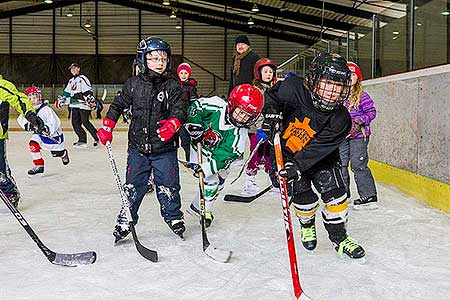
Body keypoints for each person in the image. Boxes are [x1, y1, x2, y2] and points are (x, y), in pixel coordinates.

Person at [262, 53, 366, 260]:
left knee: (337, 197)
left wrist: (298, 166)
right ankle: (307, 224)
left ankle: (340, 239)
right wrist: (271, 112)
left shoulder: (341, 119)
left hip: (321, 158)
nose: (332, 91)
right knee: (304, 199)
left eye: (338, 86)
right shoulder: (293, 87)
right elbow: (272, 96)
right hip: (286, 154)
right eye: (327, 83)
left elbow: (318, 148)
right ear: (313, 80)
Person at [97, 37, 187, 241]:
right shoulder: (133, 84)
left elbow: (180, 108)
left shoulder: (172, 86)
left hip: (165, 149)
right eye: (154, 58)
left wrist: (173, 123)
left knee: (168, 184)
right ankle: (126, 217)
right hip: (138, 148)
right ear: (143, 60)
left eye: (163, 58)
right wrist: (107, 125)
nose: (160, 62)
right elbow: (117, 105)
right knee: (133, 185)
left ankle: (173, 216)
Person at [185, 84, 264, 227]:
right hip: (199, 149)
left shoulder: (240, 136)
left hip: (216, 157)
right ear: (233, 104)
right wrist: (194, 124)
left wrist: (207, 167)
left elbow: (224, 157)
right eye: (241, 112)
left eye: (247, 116)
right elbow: (196, 107)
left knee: (220, 180)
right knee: (211, 181)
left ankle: (198, 205)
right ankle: (205, 211)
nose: (242, 119)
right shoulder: (215, 105)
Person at [0, 75, 47, 207]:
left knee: (0, 171)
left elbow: (19, 99)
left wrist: (31, 115)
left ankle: (11, 193)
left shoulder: (3, 85)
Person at [339, 62, 378, 210]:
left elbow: (372, 112)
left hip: (359, 136)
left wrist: (360, 120)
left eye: (353, 74)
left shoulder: (363, 95)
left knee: (358, 165)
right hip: (342, 136)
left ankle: (369, 196)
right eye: (348, 74)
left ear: (358, 78)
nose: (350, 77)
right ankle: (343, 194)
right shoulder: (340, 96)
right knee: (340, 164)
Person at [241, 58, 278, 196]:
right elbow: (256, 110)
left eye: (270, 71)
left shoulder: (273, 89)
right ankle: (249, 183)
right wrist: (259, 128)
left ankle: (272, 181)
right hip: (257, 129)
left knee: (270, 156)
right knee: (255, 155)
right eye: (265, 71)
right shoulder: (256, 89)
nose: (268, 74)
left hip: (270, 129)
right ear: (258, 73)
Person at [17, 87, 69, 176]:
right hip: (39, 135)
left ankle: (63, 154)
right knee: (33, 144)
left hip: (53, 136)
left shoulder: (46, 110)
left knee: (56, 153)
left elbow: (55, 122)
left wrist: (47, 128)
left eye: (34, 97)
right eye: (29, 98)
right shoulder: (28, 110)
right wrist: (28, 126)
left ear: (39, 97)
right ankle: (39, 165)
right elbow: (21, 119)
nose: (32, 100)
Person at [60, 63, 99, 148]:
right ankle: (82, 140)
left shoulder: (83, 79)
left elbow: (87, 91)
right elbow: (66, 92)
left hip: (83, 105)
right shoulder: (71, 81)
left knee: (85, 122)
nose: (73, 70)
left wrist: (90, 99)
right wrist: (63, 99)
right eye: (71, 69)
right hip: (74, 105)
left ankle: (97, 137)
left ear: (78, 69)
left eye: (74, 68)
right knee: (75, 123)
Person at [177, 62, 198, 161]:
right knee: (180, 138)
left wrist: (192, 113)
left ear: (189, 74)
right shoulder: (176, 85)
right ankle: (186, 153)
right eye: (181, 73)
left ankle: (191, 157)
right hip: (177, 115)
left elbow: (193, 102)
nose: (183, 75)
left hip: (187, 116)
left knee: (187, 138)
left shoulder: (191, 86)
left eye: (186, 73)